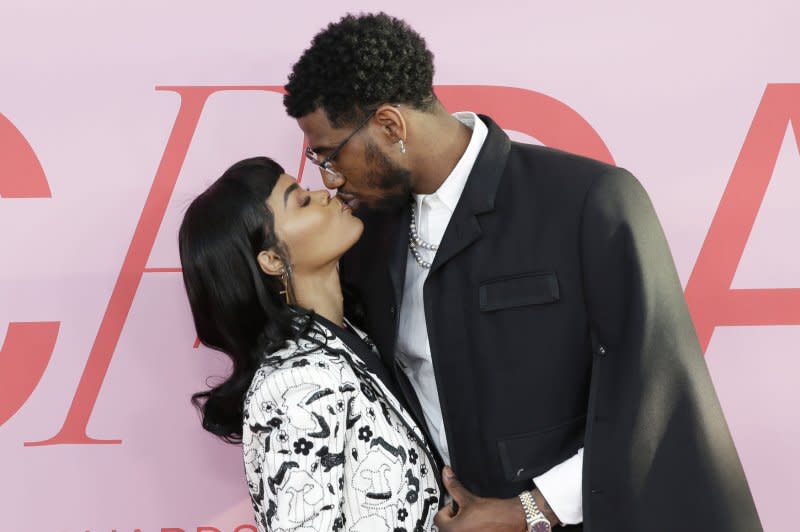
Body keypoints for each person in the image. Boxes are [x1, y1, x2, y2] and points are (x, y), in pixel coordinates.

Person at [283, 12, 763, 532]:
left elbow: (658, 401)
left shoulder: (587, 201)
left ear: (390, 125)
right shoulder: (366, 236)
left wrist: (529, 511)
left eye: (330, 154)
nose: (329, 178)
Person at [178, 157, 441, 532]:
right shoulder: (295, 383)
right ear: (271, 259)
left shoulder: (354, 339)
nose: (322, 193)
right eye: (300, 201)